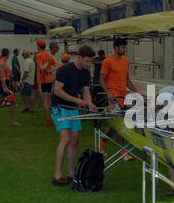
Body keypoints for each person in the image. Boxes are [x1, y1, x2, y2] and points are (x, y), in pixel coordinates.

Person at [50, 45, 97, 186]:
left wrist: (89, 103)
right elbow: (57, 91)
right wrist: (78, 101)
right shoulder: (65, 70)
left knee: (75, 140)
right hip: (59, 107)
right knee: (65, 138)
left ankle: (71, 174)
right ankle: (57, 175)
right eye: (87, 61)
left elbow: (86, 91)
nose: (88, 65)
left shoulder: (86, 73)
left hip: (72, 108)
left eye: (90, 62)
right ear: (80, 57)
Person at [99, 38, 139, 161]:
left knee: (114, 125)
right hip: (113, 98)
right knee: (119, 125)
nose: (125, 50)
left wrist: (136, 92)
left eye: (125, 47)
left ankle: (100, 147)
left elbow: (127, 80)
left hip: (123, 98)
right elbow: (101, 80)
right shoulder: (107, 61)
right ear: (116, 47)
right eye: (123, 47)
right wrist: (109, 93)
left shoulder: (126, 61)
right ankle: (122, 153)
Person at [0, 48, 22, 127]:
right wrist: (5, 87)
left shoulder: (4, 62)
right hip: (4, 84)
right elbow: (1, 77)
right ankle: (12, 121)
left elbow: (5, 73)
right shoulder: (1, 63)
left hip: (5, 83)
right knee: (12, 102)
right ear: (7, 54)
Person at [36, 39, 56, 127]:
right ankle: (51, 119)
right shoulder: (48, 54)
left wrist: (47, 65)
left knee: (45, 101)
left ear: (38, 47)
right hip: (49, 80)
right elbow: (56, 66)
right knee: (49, 100)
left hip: (43, 80)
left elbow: (42, 68)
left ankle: (48, 120)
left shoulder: (39, 55)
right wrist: (50, 71)